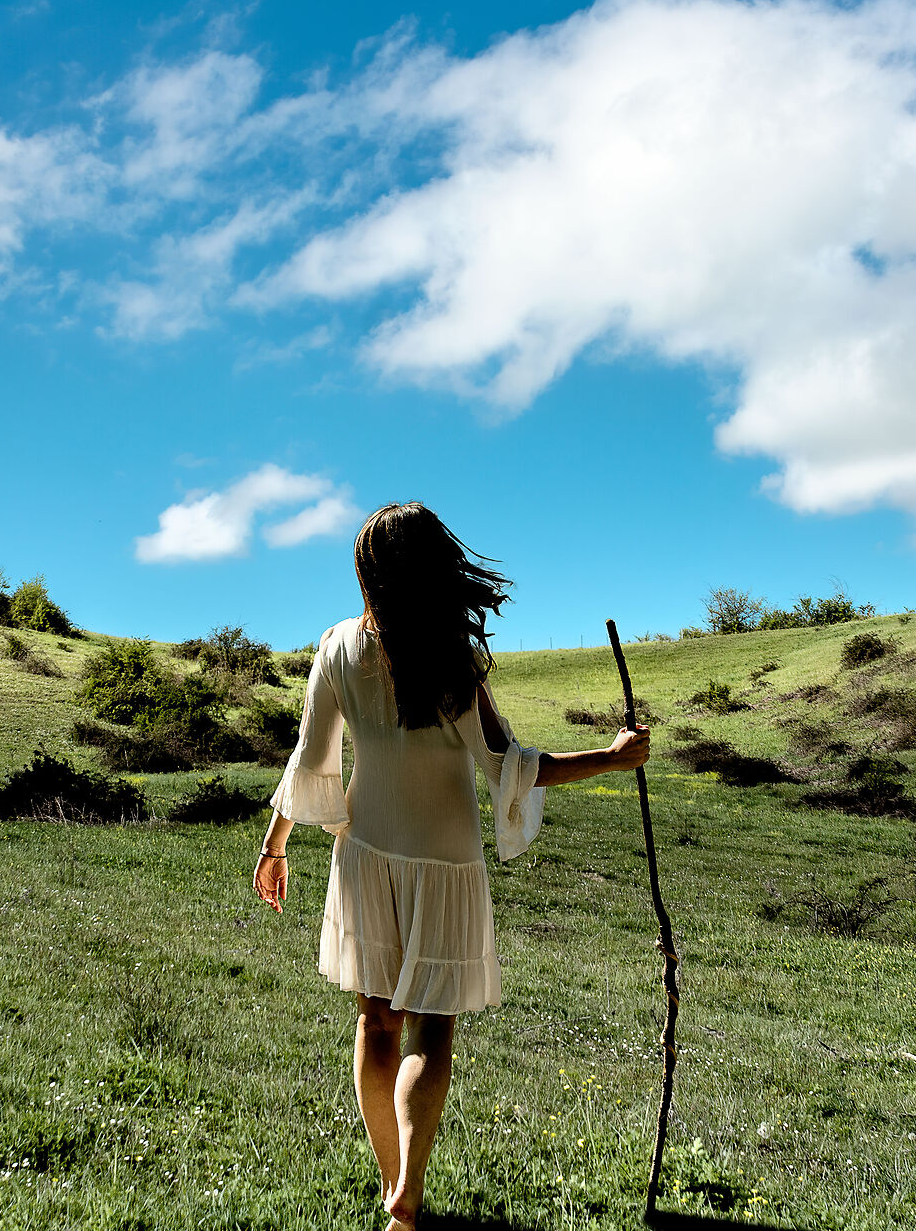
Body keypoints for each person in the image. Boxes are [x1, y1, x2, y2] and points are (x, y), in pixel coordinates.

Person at [253, 503, 650, 1231]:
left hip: (366, 852)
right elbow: (510, 767)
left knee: (377, 1023)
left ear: (368, 572)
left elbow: (311, 761)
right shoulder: (452, 661)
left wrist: (275, 845)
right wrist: (613, 757)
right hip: (445, 860)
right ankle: (408, 1188)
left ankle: (391, 1189)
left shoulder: (339, 645)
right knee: (430, 1027)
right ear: (438, 569)